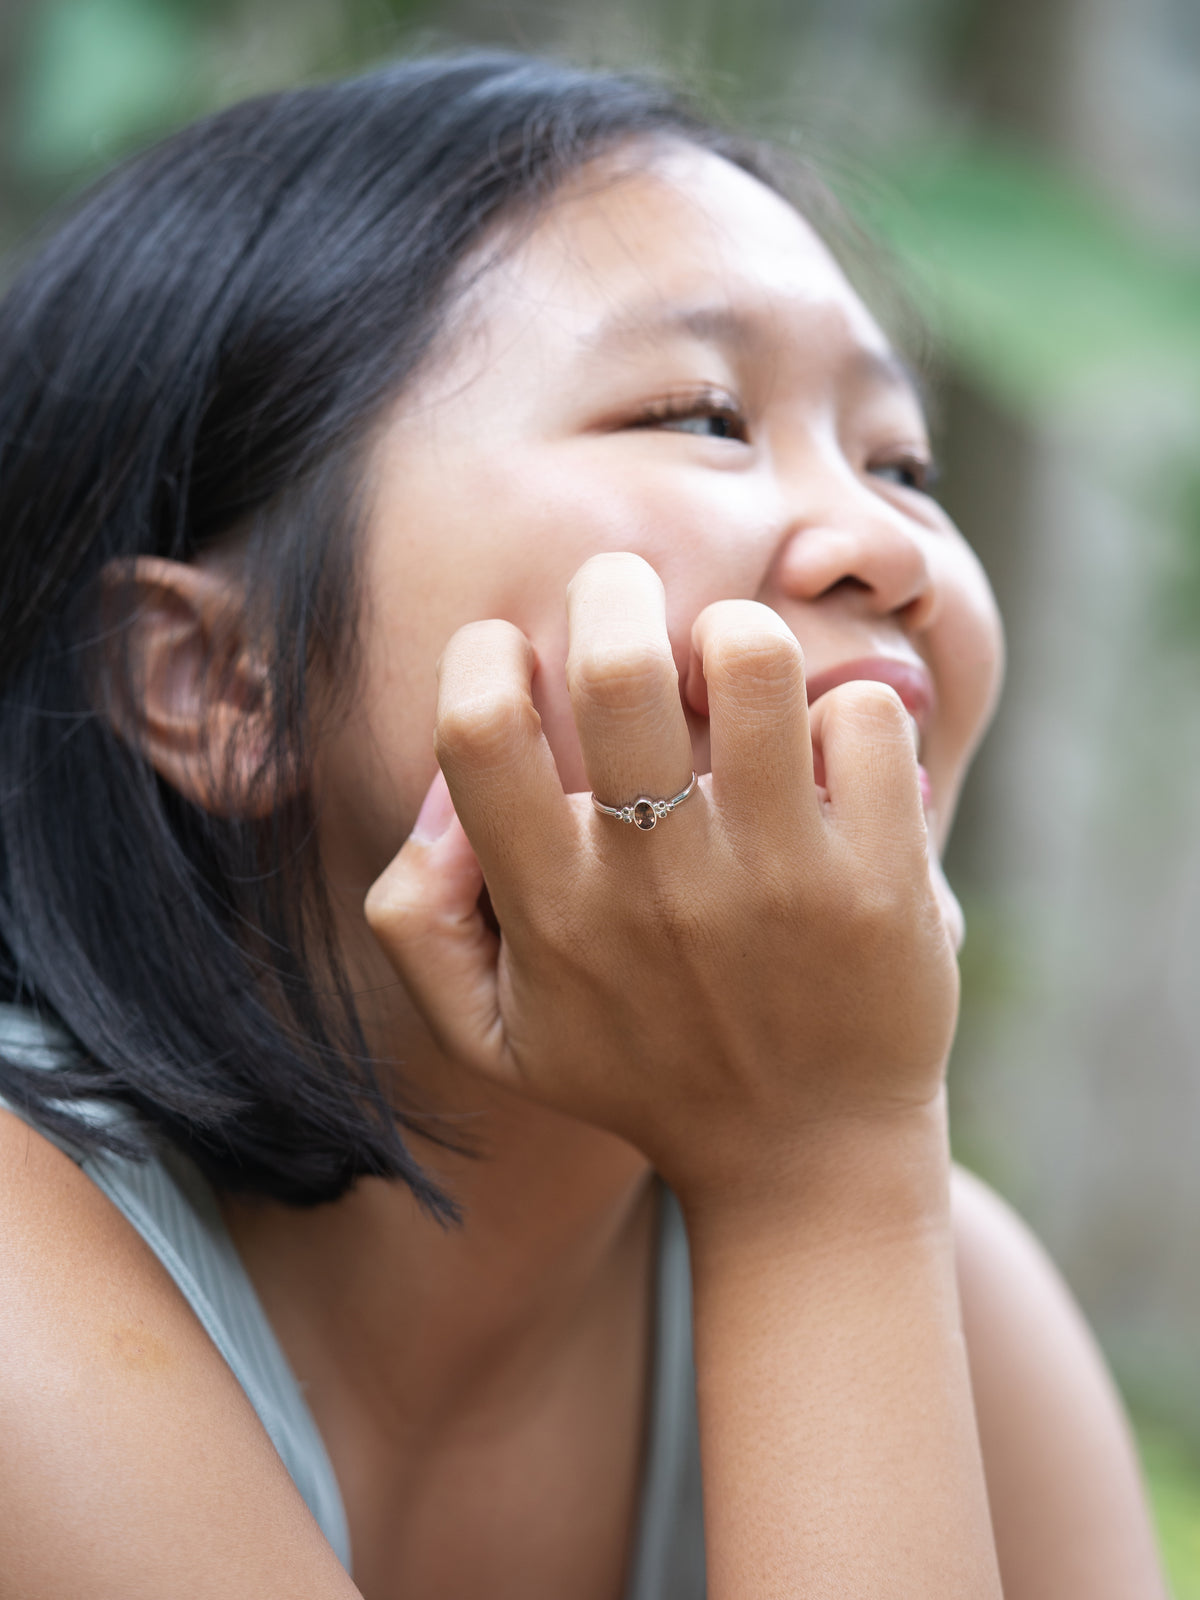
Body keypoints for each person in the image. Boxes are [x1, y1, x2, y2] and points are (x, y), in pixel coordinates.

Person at [0, 51, 1167, 1599]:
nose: (887, 545)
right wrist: (813, 1183)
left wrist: (825, 1180)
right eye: (698, 414)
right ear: (220, 682)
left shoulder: (954, 1284)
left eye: (907, 462)